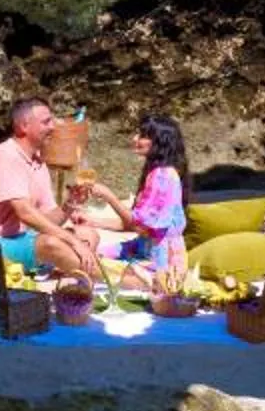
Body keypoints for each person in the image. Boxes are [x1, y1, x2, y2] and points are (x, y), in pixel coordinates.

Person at [0, 97, 106, 280]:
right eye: (46, 122)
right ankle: (126, 282)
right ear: (23, 126)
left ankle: (77, 272)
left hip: (15, 240)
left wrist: (69, 205)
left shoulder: (38, 162)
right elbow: (25, 213)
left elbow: (48, 220)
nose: (53, 127)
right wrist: (72, 241)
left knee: (87, 233)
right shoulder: (5, 156)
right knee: (53, 243)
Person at [76, 114, 189, 291]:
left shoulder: (163, 176)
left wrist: (108, 195)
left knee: (83, 263)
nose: (135, 138)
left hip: (160, 261)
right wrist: (93, 221)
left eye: (143, 135)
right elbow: (138, 226)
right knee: (86, 255)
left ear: (160, 142)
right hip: (143, 247)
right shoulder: (156, 172)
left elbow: (138, 225)